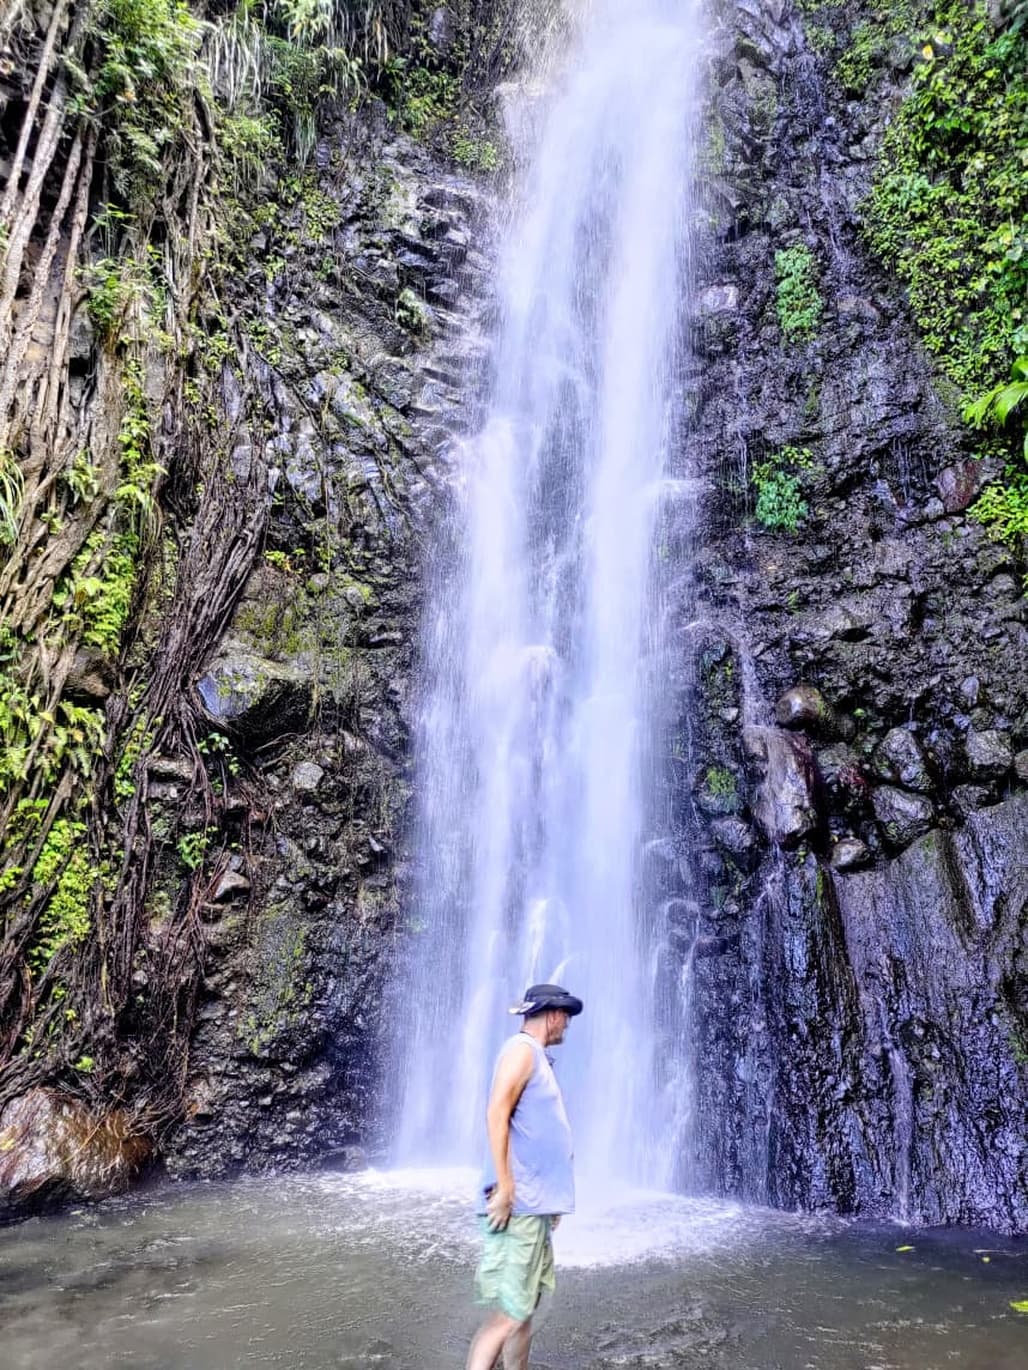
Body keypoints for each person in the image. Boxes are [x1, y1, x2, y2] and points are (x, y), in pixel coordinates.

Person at [465, 982, 584, 1370]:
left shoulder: (535, 1057)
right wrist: (506, 1186)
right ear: (551, 1014)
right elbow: (497, 1112)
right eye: (565, 1015)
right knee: (508, 1313)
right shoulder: (521, 1052)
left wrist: (550, 1202)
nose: (567, 1023)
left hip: (533, 1205)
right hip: (517, 1205)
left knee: (523, 1305)